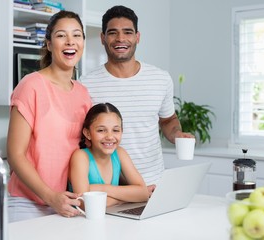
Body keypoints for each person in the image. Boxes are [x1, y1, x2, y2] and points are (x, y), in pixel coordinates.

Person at [80, 5, 194, 190]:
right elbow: (83, 136)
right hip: (109, 189)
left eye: (127, 32)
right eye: (112, 33)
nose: (120, 39)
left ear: (137, 37)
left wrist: (177, 135)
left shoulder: (161, 78)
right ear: (103, 38)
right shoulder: (85, 84)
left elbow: (168, 120)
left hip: (154, 183)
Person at [6, 10, 92, 222]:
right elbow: (15, 154)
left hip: (68, 202)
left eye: (77, 35)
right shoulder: (31, 85)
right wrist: (50, 196)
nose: (70, 41)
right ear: (48, 43)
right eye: (61, 35)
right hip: (27, 203)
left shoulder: (83, 94)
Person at [69, 103, 149, 207]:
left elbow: (143, 193)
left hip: (110, 218)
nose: (110, 136)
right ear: (87, 133)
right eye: (101, 130)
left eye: (115, 130)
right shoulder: (81, 156)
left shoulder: (120, 153)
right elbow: (85, 203)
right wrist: (124, 199)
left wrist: (101, 188)